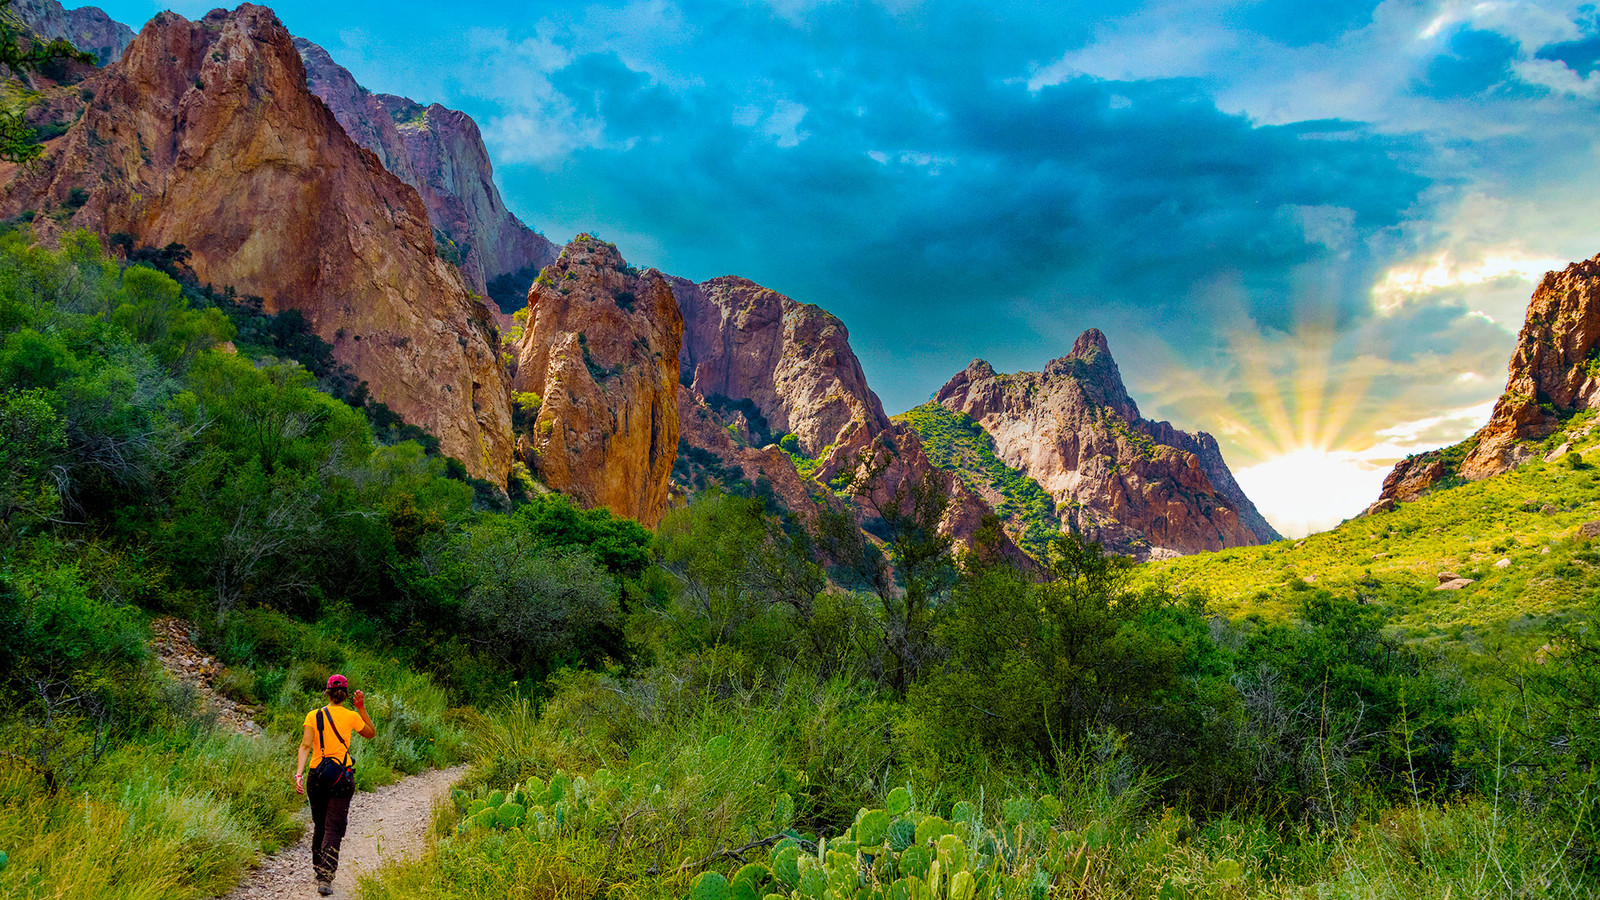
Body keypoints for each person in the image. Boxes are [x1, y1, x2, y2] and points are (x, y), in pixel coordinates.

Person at [293, 674, 376, 896]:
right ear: (346, 695)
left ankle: (317, 868)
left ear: (327, 692)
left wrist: (298, 774)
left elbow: (305, 746)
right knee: (334, 827)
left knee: (320, 824)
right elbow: (370, 733)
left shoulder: (313, 715)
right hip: (341, 776)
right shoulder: (350, 716)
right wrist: (361, 708)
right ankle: (325, 877)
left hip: (316, 775)